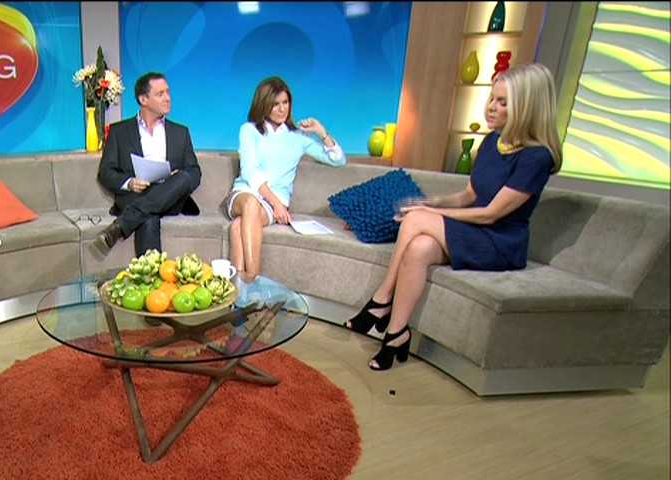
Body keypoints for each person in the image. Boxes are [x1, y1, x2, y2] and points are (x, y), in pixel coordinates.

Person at [346, 63, 563, 371]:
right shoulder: (492, 142)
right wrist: (426, 203)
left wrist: (427, 213)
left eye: (503, 102)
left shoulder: (537, 158)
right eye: (492, 98)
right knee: (418, 247)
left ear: (527, 108)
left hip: (499, 242)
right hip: (473, 231)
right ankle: (396, 333)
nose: (491, 107)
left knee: (417, 221)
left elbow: (490, 214)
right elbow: (469, 196)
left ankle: (381, 299)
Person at [229, 76, 346, 285]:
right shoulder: (249, 130)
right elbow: (249, 170)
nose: (282, 109)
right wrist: (276, 204)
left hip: (271, 205)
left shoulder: (299, 137)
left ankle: (236, 292)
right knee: (250, 204)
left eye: (285, 102)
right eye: (276, 104)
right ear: (264, 104)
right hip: (246, 194)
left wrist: (320, 131)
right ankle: (253, 283)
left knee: (238, 227)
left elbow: (338, 160)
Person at [95, 72, 202, 257]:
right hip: (137, 194)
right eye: (160, 94)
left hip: (171, 197)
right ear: (143, 99)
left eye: (168, 92)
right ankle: (152, 275)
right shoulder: (119, 131)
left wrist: (175, 178)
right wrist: (129, 182)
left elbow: (194, 172)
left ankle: (121, 225)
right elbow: (106, 172)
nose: (167, 98)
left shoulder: (180, 132)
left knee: (184, 177)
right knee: (148, 216)